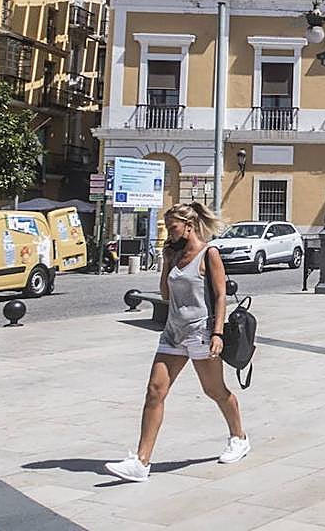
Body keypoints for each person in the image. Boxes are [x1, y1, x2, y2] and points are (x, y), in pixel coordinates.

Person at [105, 202, 249, 482]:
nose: (169, 234)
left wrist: (217, 333)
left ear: (189, 226)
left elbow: (220, 296)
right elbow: (166, 295)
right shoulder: (175, 254)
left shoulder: (210, 253)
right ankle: (141, 462)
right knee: (154, 391)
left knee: (215, 391)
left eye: (173, 228)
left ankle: (239, 437)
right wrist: (167, 262)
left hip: (201, 333)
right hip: (172, 333)